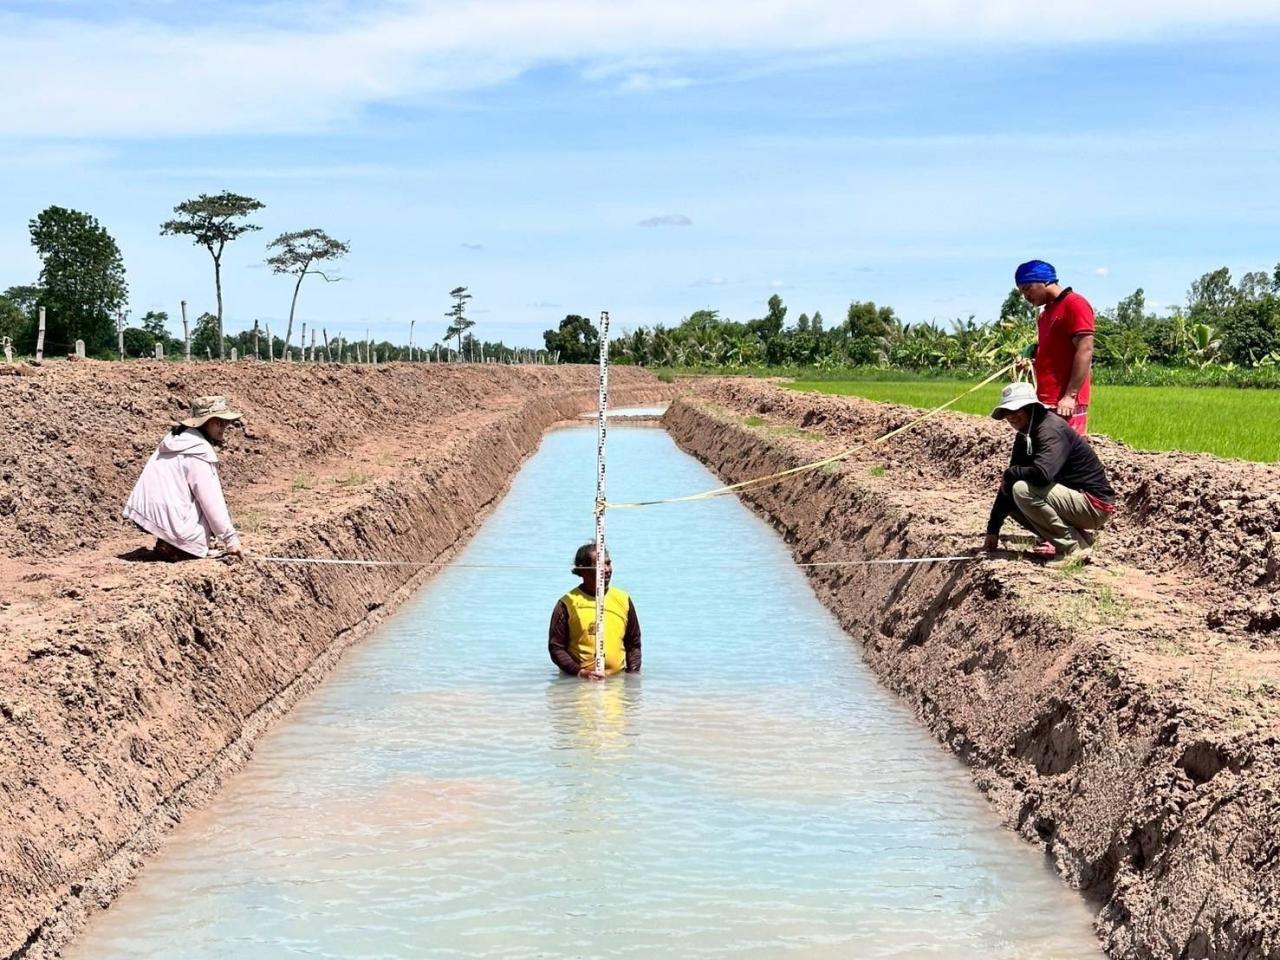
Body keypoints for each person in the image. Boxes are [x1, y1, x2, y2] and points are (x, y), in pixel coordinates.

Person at [983, 382, 1116, 565]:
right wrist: (993, 529)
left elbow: (1042, 474)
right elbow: (1008, 485)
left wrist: (1011, 473)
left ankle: (1070, 550)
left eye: (1016, 409)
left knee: (1022, 489)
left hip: (1093, 505)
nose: (1011, 416)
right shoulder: (1025, 434)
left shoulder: (1050, 430)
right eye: (1007, 412)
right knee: (1012, 497)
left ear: (1031, 407)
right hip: (1073, 501)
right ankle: (1079, 541)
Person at [123, 396, 245, 561]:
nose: (224, 426)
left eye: (225, 422)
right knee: (204, 502)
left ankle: (169, 543)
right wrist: (231, 540)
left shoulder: (177, 439)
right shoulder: (199, 450)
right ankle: (180, 547)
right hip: (174, 522)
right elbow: (211, 500)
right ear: (205, 422)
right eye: (218, 422)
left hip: (152, 515)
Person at [1014, 259, 1095, 434]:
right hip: (1045, 400)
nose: (1026, 297)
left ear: (1044, 281)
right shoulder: (1045, 315)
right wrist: (1030, 360)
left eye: (1027, 289)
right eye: (1022, 292)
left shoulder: (1075, 304)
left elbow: (1085, 349)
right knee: (1046, 453)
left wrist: (1070, 396)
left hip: (1065, 403)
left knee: (1065, 454)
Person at [548, 543, 641, 679]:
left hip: (617, 681)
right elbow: (556, 648)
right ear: (583, 570)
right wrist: (580, 673)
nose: (607, 570)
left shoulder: (623, 599)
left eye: (608, 564)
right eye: (600, 565)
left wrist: (632, 680)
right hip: (578, 683)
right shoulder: (567, 603)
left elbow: (633, 644)